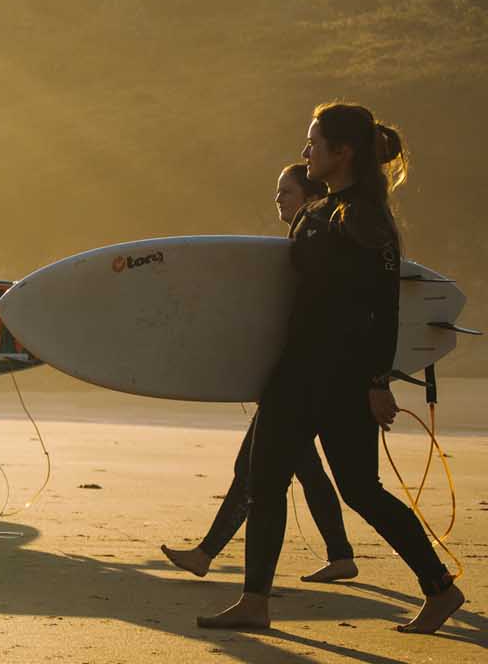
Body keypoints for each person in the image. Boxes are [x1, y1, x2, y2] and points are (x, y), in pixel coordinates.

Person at [199, 104, 464, 634]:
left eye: (313, 143)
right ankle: (255, 601)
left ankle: (440, 588)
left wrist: (377, 381)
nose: (305, 152)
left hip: (338, 377)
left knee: (356, 490)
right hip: (297, 369)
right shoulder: (314, 214)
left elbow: (382, 309)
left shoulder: (367, 222)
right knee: (268, 481)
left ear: (342, 153)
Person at [162, 163, 357, 583]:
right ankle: (340, 554)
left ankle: (207, 554)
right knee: (305, 467)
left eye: (285, 192)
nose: (278, 199)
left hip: (300, 381)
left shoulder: (311, 248)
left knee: (255, 468)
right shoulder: (299, 247)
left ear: (309, 198)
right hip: (296, 380)